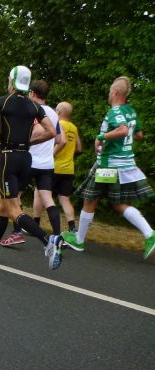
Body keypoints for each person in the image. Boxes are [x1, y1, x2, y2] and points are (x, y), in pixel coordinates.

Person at [0, 65, 64, 270]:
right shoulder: (34, 106)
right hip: (26, 158)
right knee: (3, 206)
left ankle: (48, 241)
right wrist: (29, 142)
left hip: (8, 158)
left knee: (14, 209)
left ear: (12, 81)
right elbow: (52, 132)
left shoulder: (2, 102)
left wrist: (4, 136)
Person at [61, 76, 155, 258]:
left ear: (115, 92)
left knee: (90, 199)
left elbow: (123, 130)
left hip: (108, 165)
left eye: (111, 90)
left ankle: (78, 240)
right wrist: (119, 137)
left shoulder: (115, 111)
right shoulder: (131, 111)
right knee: (118, 203)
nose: (109, 93)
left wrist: (101, 137)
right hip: (125, 165)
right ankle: (149, 234)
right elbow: (138, 135)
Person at [1, 79, 65, 246]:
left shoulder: (31, 108)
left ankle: (17, 233)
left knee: (15, 196)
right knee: (48, 199)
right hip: (47, 163)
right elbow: (60, 139)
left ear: (32, 93)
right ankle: (57, 237)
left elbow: (37, 130)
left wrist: (25, 142)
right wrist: (50, 152)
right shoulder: (53, 113)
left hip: (30, 160)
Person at [35, 102, 82, 233]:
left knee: (39, 193)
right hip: (68, 168)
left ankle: (35, 223)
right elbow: (79, 148)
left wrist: (52, 153)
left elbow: (62, 141)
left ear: (59, 112)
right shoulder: (73, 127)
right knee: (64, 199)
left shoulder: (58, 124)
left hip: (55, 166)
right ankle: (72, 227)